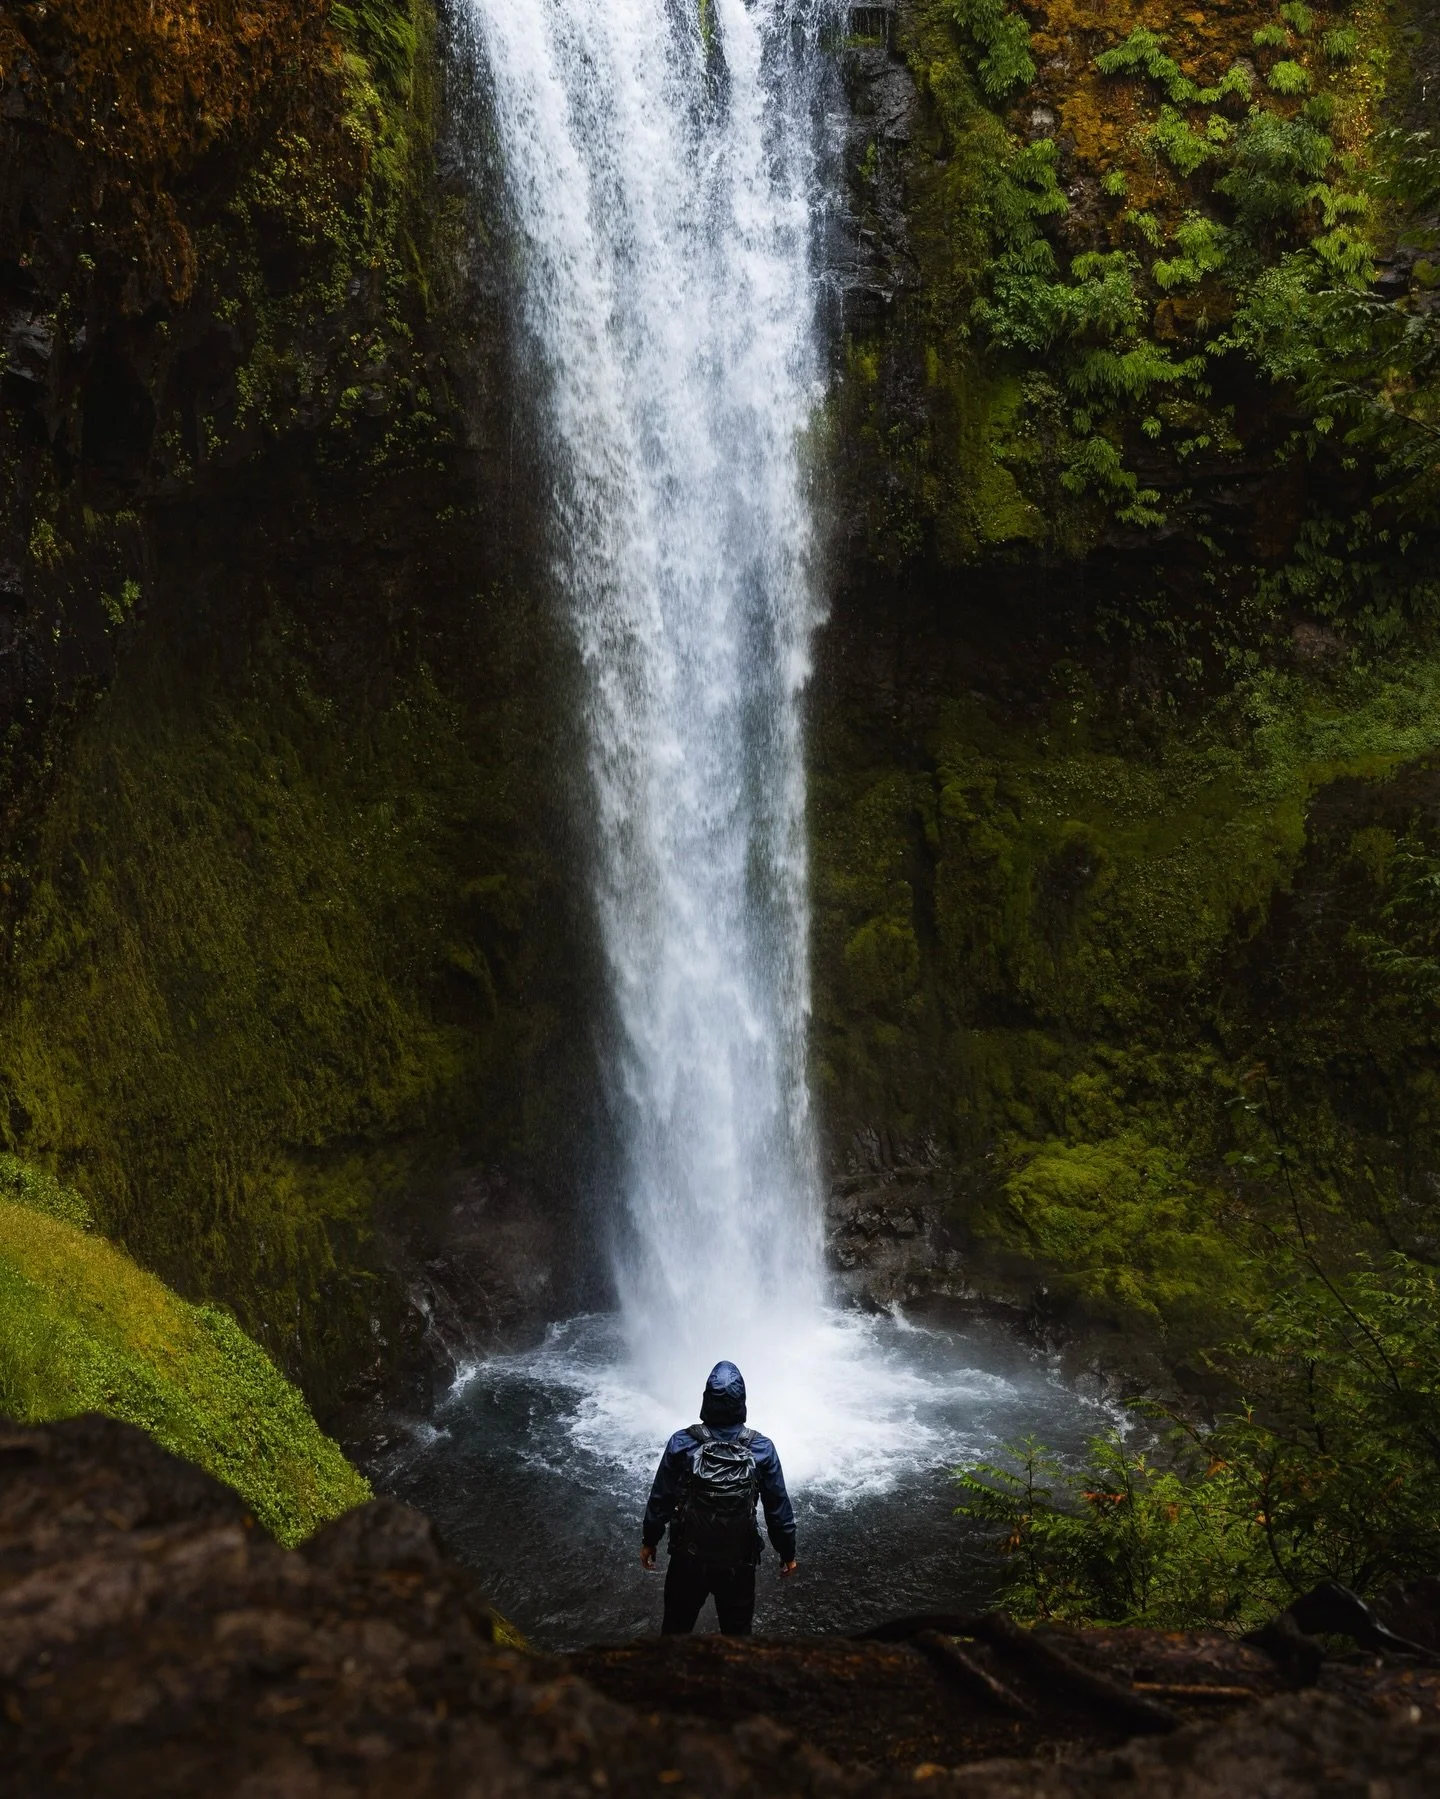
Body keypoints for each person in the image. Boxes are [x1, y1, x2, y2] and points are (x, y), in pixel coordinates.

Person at [639, 1359, 798, 1636]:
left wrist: (649, 1540)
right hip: (737, 1562)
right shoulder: (761, 1448)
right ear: (742, 1402)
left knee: (675, 1632)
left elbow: (661, 1497)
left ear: (706, 1400)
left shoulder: (682, 1442)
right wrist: (787, 1552)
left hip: (688, 1558)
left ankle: (669, 1678)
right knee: (737, 1639)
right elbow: (777, 1508)